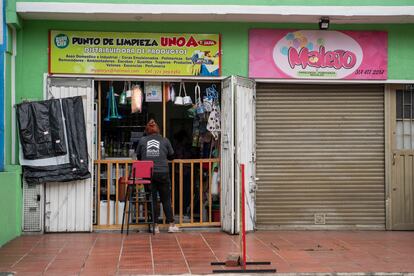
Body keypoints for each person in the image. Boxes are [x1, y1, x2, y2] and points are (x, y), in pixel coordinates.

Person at [136, 119, 180, 233]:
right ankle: (171, 224)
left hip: (148, 173)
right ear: (158, 130)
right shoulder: (165, 140)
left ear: (146, 131)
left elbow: (139, 157)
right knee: (166, 199)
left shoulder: (142, 140)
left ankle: (155, 226)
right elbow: (172, 156)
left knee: (152, 199)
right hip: (163, 173)